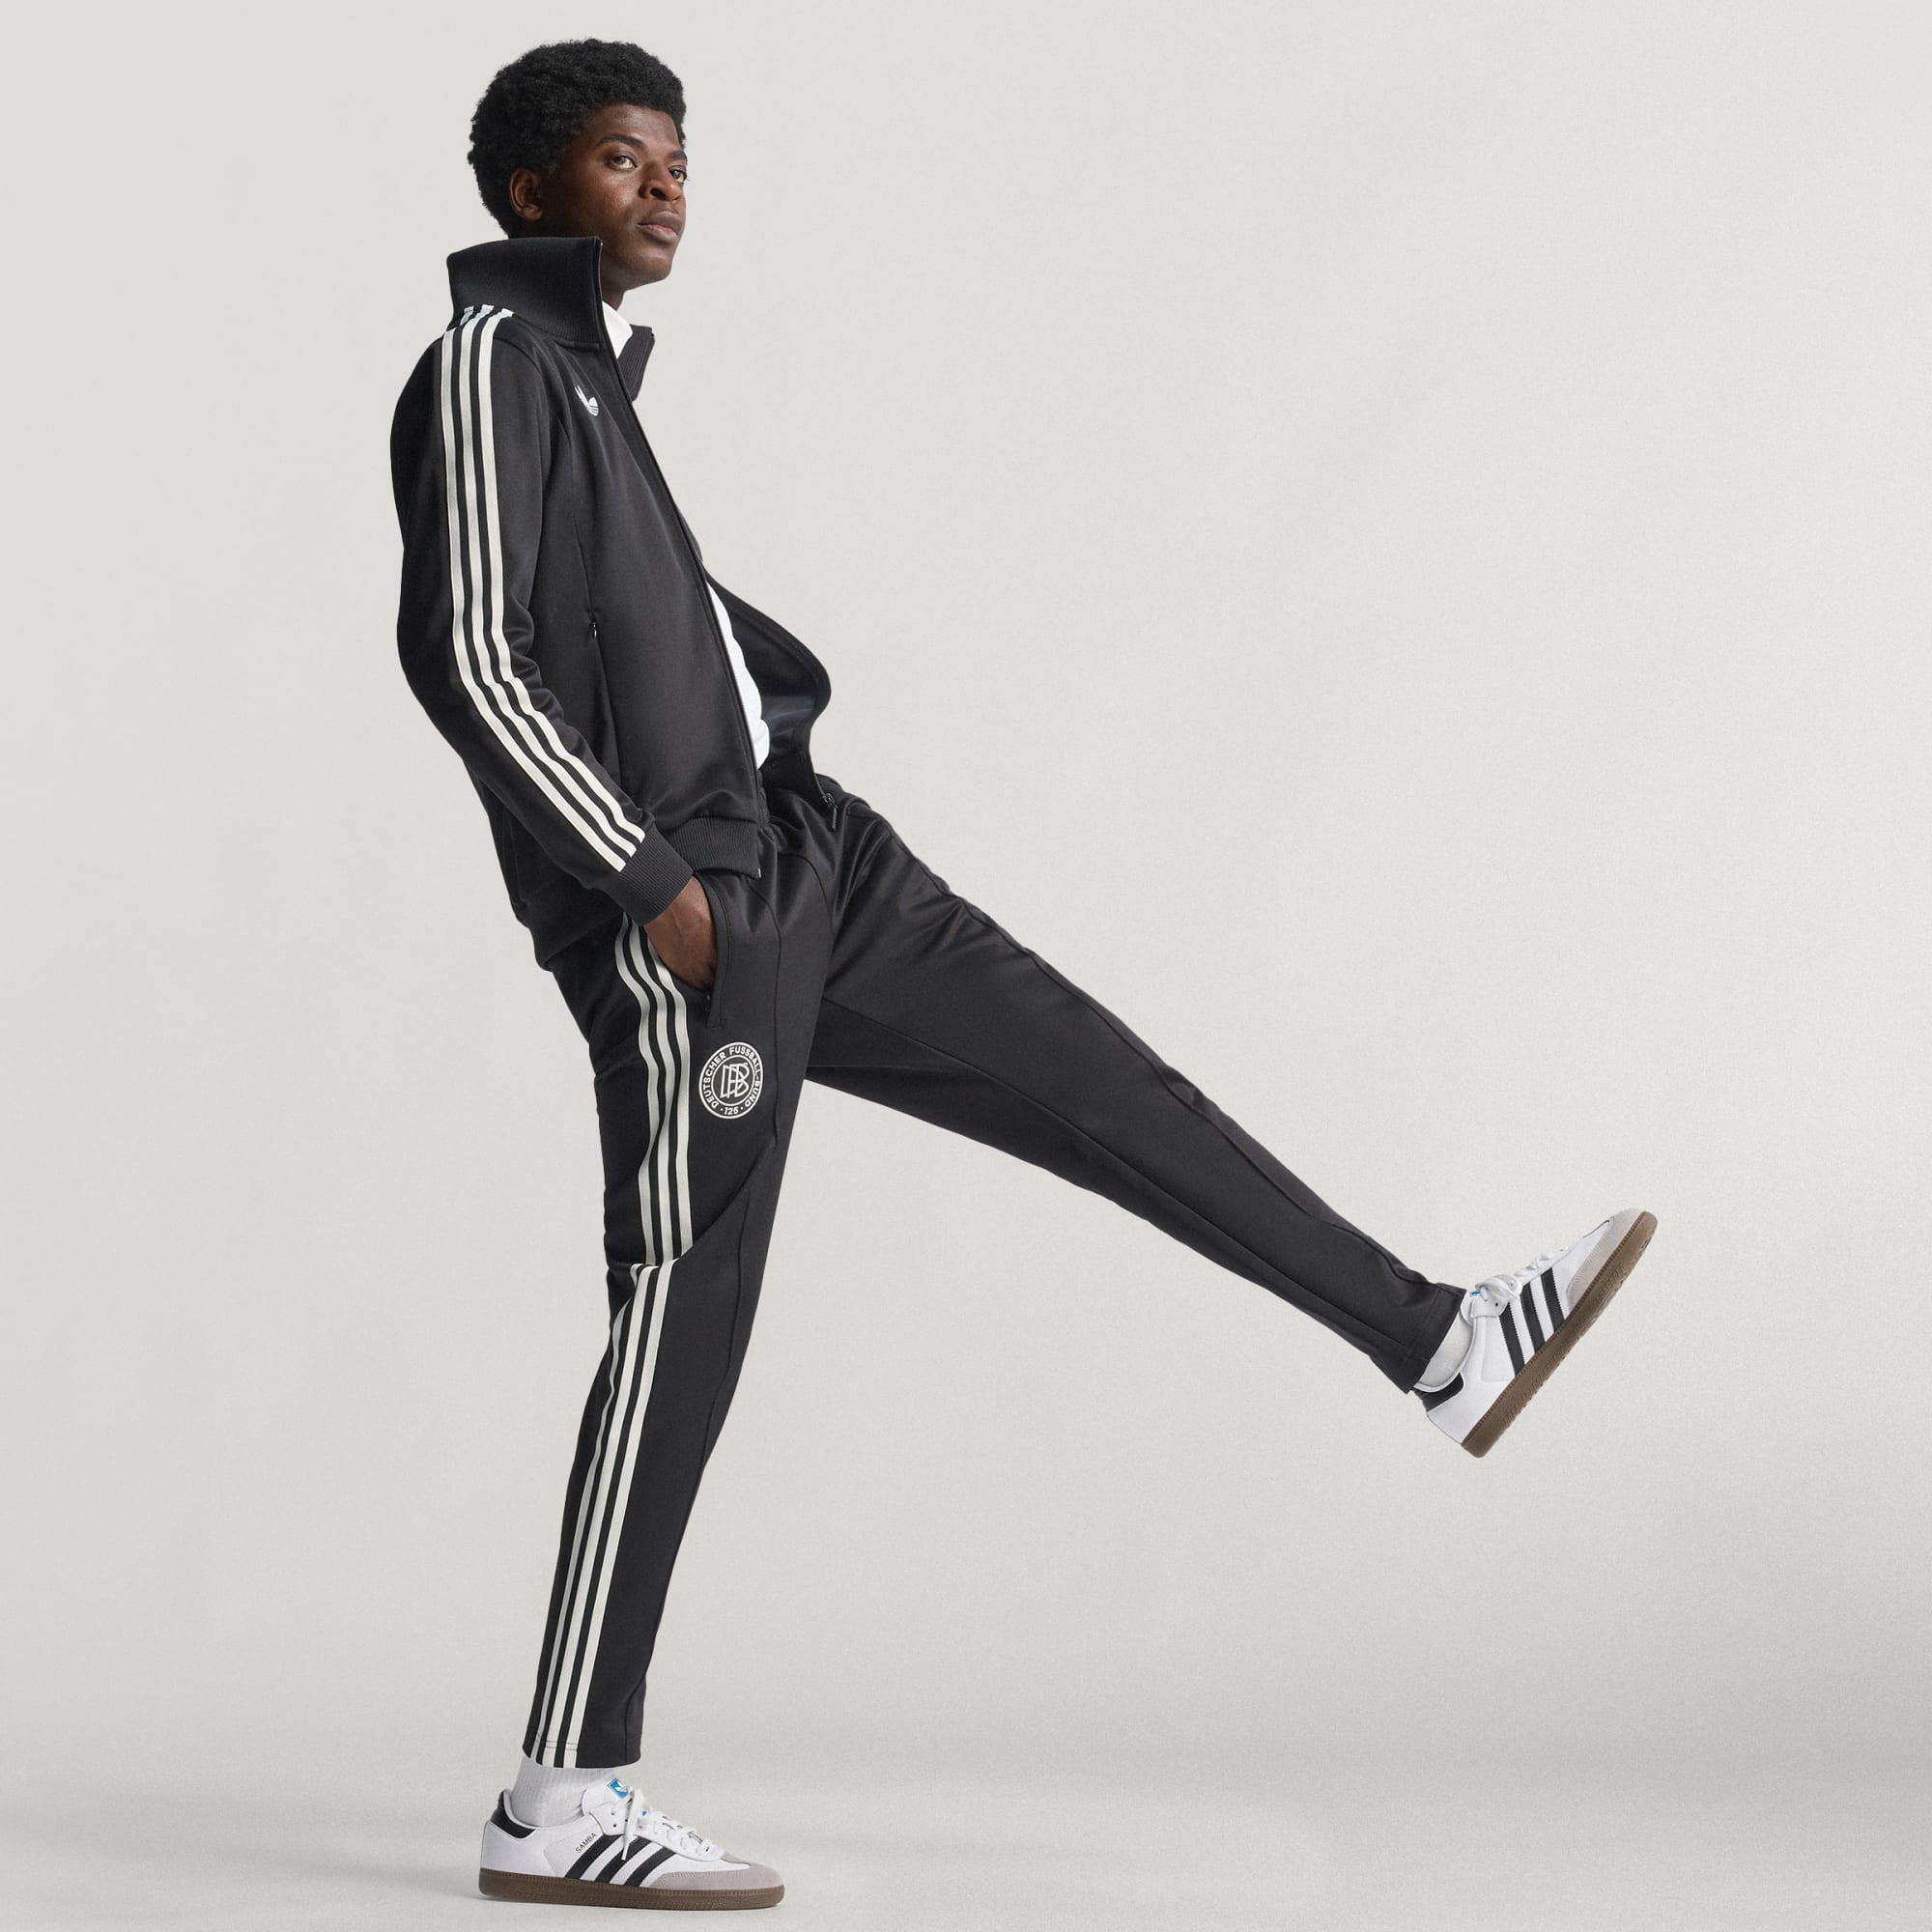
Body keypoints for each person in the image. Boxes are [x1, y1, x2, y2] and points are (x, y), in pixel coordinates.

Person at [388, 36, 1656, 1912]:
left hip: (807, 856)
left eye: (678, 161)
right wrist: (651, 885)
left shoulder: (594, 376)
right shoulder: (492, 357)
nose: (665, 189)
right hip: (694, 910)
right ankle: (558, 1796)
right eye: (623, 161)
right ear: (528, 191)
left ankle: (1437, 1341)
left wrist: (768, 796)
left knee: (1100, 1083)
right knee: (685, 1313)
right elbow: (466, 655)